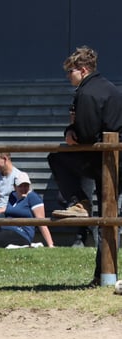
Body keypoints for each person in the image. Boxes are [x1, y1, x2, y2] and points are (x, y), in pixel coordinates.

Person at [47, 46, 122, 285]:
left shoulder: (87, 93)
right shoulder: (110, 88)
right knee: (108, 220)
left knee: (57, 157)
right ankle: (103, 275)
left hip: (103, 160)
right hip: (113, 160)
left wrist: (71, 131)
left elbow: (86, 134)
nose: (68, 77)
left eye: (70, 72)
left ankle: (79, 201)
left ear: (83, 69)